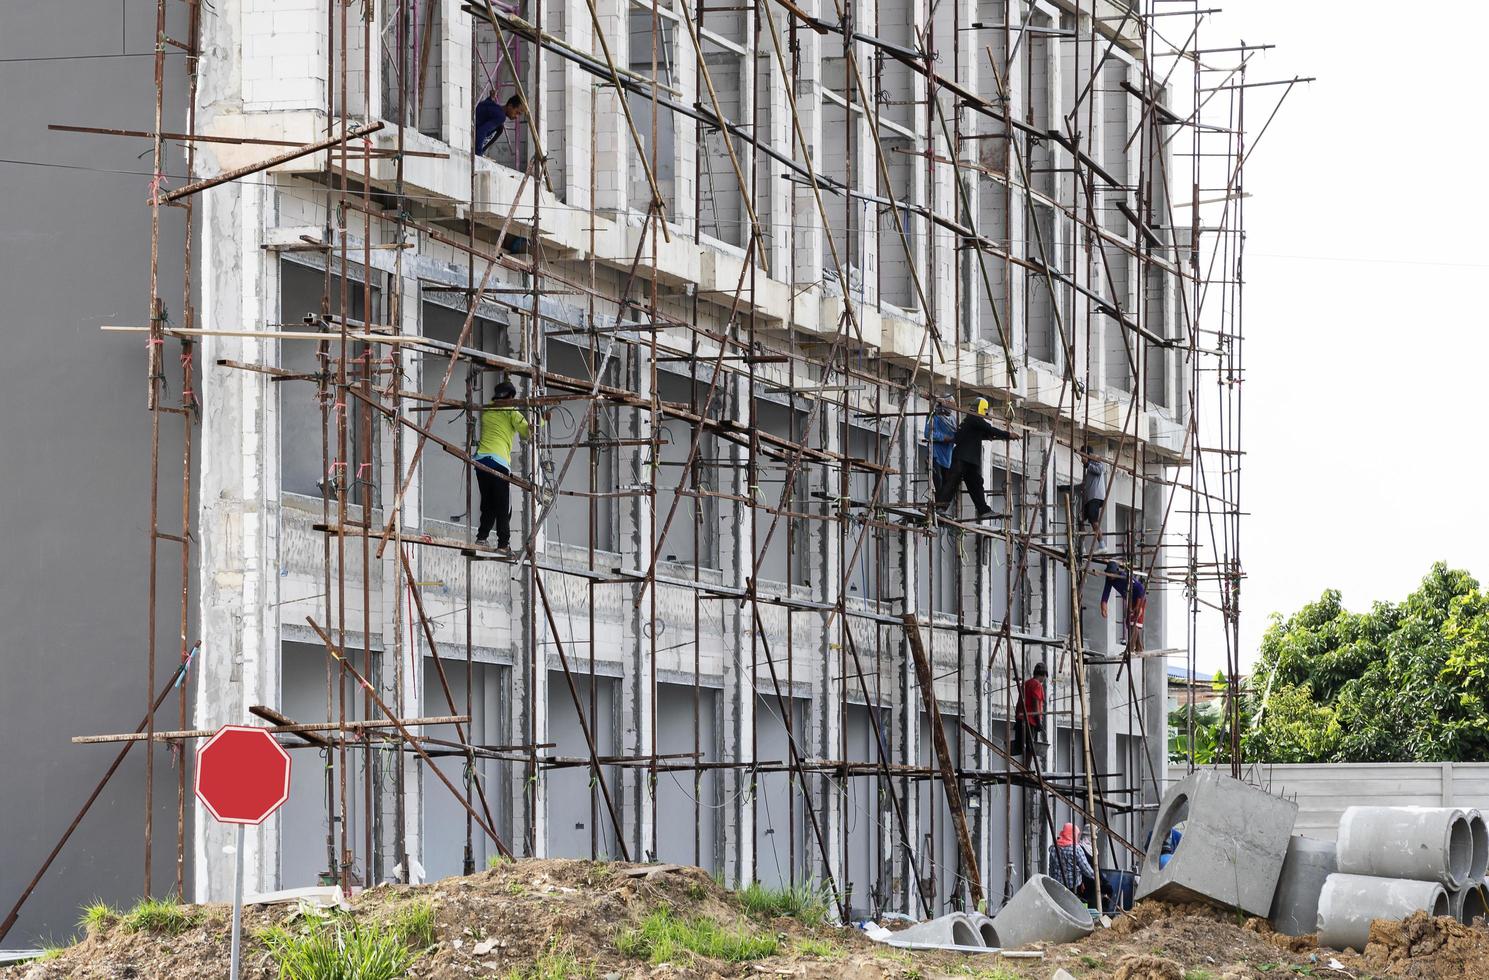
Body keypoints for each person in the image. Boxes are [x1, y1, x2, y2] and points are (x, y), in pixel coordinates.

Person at [934, 397, 1018, 520]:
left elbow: (971, 434)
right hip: (963, 458)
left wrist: (986, 435)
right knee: (952, 482)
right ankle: (940, 507)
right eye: (984, 410)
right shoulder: (974, 418)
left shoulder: (968, 421)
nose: (985, 414)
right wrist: (1008, 434)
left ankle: (983, 510)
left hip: (969, 460)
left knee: (976, 485)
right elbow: (989, 428)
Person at [474, 380, 530, 553]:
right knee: (502, 505)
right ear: (511, 397)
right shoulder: (511, 412)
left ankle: (481, 538)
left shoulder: (487, 410)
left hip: (481, 462)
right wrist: (543, 420)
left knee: (488, 503)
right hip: (498, 463)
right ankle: (503, 544)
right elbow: (529, 431)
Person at [1100, 561, 1147, 651]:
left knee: (1134, 622)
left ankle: (1130, 649)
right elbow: (1106, 592)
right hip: (1129, 599)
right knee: (1129, 622)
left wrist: (1139, 606)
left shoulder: (1124, 576)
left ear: (1116, 572)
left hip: (1139, 599)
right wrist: (1103, 606)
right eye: (1108, 573)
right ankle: (1139, 647)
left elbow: (1140, 589)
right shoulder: (1109, 579)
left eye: (1111, 573)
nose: (1110, 576)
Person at [1048, 823, 1096, 903]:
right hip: (1072, 886)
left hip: (1056, 885)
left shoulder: (1053, 848)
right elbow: (1086, 869)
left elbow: (1051, 868)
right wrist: (1096, 876)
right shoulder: (1076, 849)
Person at [1011, 662, 1047, 760]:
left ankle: (1024, 769)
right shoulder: (1037, 685)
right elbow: (1035, 704)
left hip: (1021, 719)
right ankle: (1026, 769)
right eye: (1044, 677)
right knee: (1031, 748)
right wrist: (1038, 722)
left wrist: (1017, 716)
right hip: (1030, 720)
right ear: (1043, 675)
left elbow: (1019, 702)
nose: (1044, 680)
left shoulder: (1026, 683)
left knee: (1022, 746)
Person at [475, 92, 527, 157]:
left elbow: (485, 107)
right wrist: (478, 153)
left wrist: (490, 98)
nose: (516, 116)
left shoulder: (494, 106)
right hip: (474, 129)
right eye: (516, 112)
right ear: (510, 106)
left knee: (500, 127)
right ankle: (479, 151)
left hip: (474, 123)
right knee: (500, 129)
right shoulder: (501, 116)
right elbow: (482, 131)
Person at [923, 399, 957, 502]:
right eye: (949, 403)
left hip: (947, 456)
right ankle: (938, 507)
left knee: (947, 484)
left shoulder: (952, 419)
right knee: (939, 482)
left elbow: (955, 433)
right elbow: (928, 434)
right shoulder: (933, 416)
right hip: (935, 454)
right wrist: (943, 437)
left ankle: (942, 507)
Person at [1080, 445, 1105, 546]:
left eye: (1083, 455)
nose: (1082, 458)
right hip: (1090, 498)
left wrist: (1088, 463)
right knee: (1080, 519)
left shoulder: (1096, 462)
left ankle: (1102, 544)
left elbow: (1099, 470)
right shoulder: (1089, 468)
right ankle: (1081, 545)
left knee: (1094, 520)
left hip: (1095, 497)